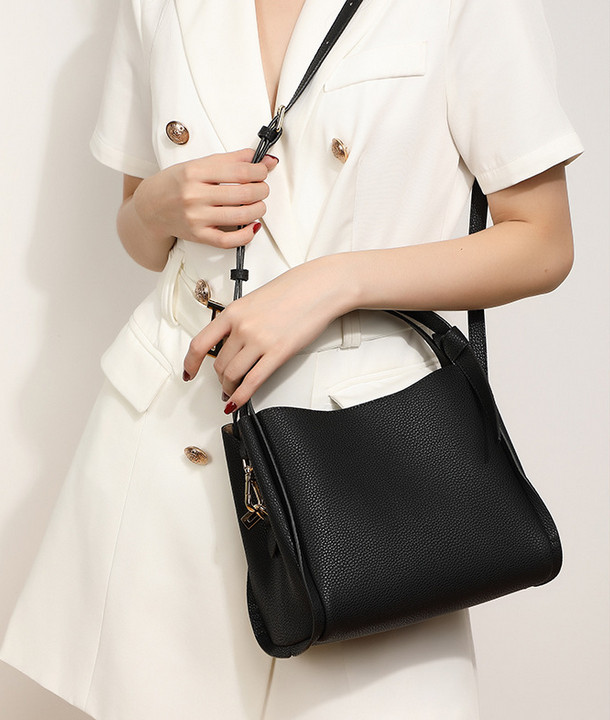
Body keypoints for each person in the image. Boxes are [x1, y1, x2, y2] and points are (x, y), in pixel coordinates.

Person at [0, 0, 583, 718]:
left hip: (364, 471)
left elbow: (543, 242)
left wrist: (334, 282)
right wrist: (153, 208)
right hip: (169, 441)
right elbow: (142, 236)